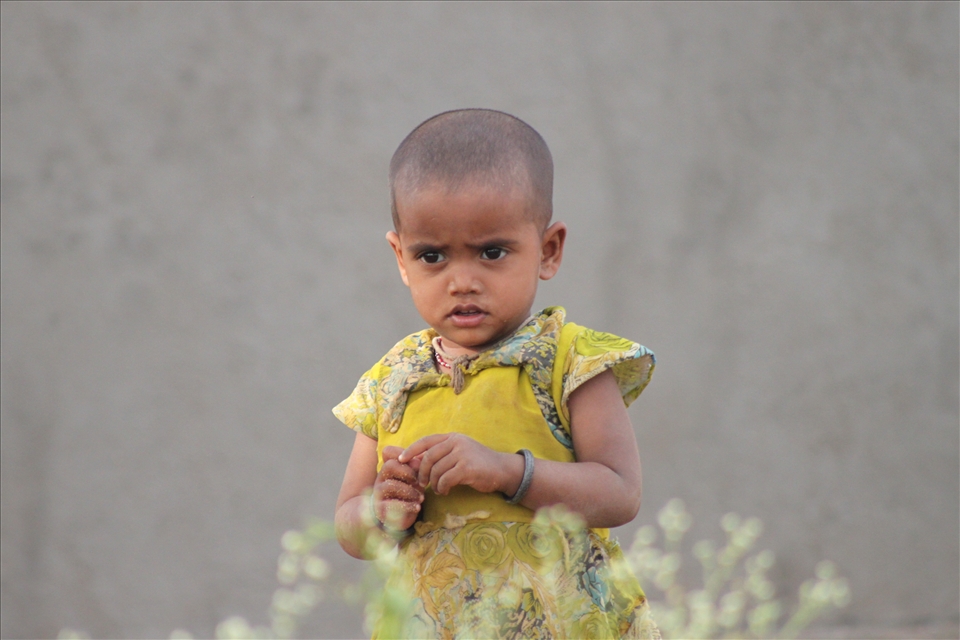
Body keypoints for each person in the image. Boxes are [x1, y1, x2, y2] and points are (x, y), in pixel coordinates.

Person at [334, 108, 659, 639]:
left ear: (547, 250)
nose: (462, 281)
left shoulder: (571, 361)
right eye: (432, 256)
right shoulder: (391, 380)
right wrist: (381, 510)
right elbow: (348, 524)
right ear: (400, 257)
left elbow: (620, 492)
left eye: (491, 252)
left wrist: (507, 472)